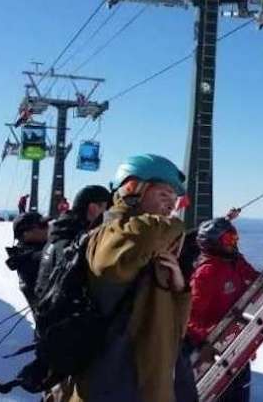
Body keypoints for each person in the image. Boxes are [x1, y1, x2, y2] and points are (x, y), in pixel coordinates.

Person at [65, 154, 190, 402]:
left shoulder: (151, 252)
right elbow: (130, 245)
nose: (170, 207)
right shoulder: (108, 237)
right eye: (163, 195)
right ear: (132, 189)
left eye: (174, 201)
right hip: (109, 387)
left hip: (144, 388)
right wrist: (176, 226)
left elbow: (174, 331)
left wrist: (178, 288)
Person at [185, 210, 258, 402]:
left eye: (235, 238)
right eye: (228, 239)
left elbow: (254, 278)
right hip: (215, 346)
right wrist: (206, 343)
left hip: (234, 338)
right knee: (224, 394)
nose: (233, 243)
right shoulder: (207, 273)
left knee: (241, 389)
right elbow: (190, 317)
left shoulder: (234, 261)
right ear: (214, 244)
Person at [34, 185, 112, 301]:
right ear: (93, 208)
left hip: (47, 309)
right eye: (107, 210)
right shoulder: (78, 239)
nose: (108, 216)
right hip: (68, 315)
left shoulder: (61, 231)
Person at [5, 211, 49, 308]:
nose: (48, 227)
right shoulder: (27, 259)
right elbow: (50, 256)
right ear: (26, 233)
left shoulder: (35, 250)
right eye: (42, 225)